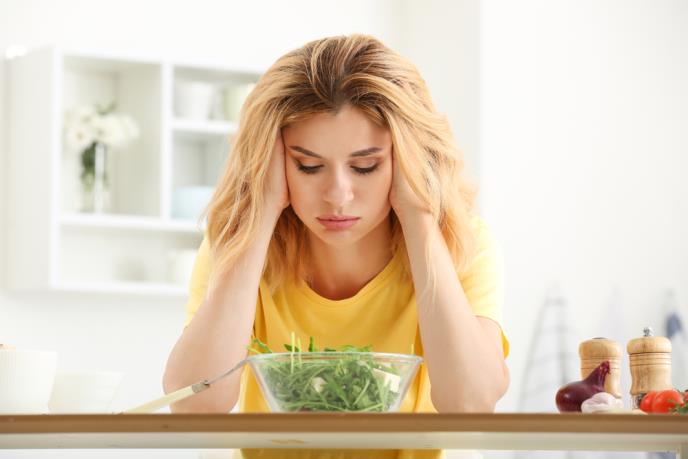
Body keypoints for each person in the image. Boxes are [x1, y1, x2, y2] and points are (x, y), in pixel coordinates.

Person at [163, 34, 510, 459]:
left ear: (408, 159)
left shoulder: (463, 243)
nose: (338, 195)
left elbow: (471, 405)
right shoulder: (234, 246)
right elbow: (195, 406)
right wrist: (260, 211)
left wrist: (419, 216)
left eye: (365, 166)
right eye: (308, 166)